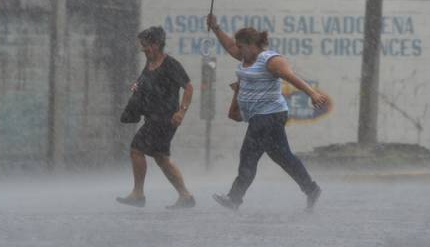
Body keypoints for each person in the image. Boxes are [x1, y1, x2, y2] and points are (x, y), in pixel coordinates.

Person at [207, 14, 330, 212]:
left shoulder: (270, 60)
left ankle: (234, 198)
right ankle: (311, 189)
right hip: (261, 117)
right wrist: (215, 28)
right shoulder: (245, 56)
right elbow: (229, 47)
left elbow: (291, 77)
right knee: (283, 157)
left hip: (269, 116)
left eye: (241, 46)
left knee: (248, 155)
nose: (237, 50)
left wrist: (312, 94)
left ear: (251, 45)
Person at [116, 26, 196, 209]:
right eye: (142, 45)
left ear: (157, 44)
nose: (143, 49)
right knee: (161, 158)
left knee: (137, 149)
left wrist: (181, 111)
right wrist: (136, 89)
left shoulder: (170, 64)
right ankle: (185, 196)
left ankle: (138, 194)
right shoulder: (149, 63)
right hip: (152, 117)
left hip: (166, 119)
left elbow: (189, 87)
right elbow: (144, 83)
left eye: (146, 45)